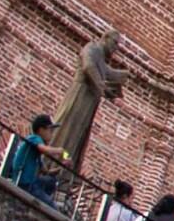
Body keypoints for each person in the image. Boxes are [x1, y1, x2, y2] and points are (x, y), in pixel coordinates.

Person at [51, 30, 127, 177]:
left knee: (77, 138)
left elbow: (110, 73)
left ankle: (64, 174)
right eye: (115, 43)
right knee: (67, 128)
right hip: (80, 95)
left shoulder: (102, 60)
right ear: (105, 38)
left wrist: (126, 76)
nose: (116, 47)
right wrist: (101, 86)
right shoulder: (92, 48)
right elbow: (88, 66)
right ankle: (51, 164)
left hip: (89, 102)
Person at [4, 115, 63, 208]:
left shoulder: (37, 154)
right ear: (41, 130)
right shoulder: (34, 138)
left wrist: (61, 167)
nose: (52, 134)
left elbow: (46, 171)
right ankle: (43, 200)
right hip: (25, 183)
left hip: (32, 183)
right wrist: (60, 151)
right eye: (50, 130)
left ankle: (43, 197)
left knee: (52, 181)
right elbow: (45, 149)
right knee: (53, 207)